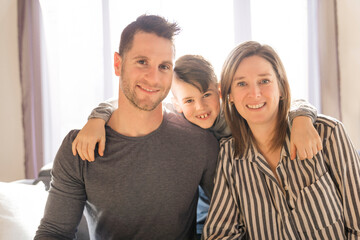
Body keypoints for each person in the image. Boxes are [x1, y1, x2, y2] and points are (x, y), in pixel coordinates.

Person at [71, 54, 321, 238]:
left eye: (206, 96)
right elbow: (122, 104)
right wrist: (96, 119)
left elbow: (289, 101)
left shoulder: (237, 112)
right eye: (189, 100)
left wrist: (301, 120)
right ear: (176, 103)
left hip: (245, 190)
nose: (200, 107)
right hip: (206, 199)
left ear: (221, 92)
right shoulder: (174, 114)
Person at [35, 15, 220, 240]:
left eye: (164, 66)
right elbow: (54, 233)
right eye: (142, 62)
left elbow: (232, 219)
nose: (153, 78)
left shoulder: (200, 142)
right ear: (118, 64)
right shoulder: (79, 149)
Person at [202, 41, 360, 239]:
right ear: (229, 95)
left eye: (264, 81)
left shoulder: (328, 133)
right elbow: (219, 234)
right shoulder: (229, 155)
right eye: (241, 83)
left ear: (282, 88)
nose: (255, 94)